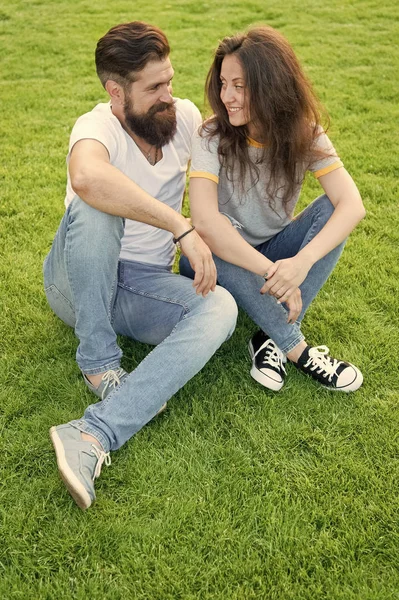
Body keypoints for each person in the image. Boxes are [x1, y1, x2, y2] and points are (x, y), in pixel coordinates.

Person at [44, 21, 238, 510]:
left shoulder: (186, 118)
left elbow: (237, 151)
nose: (168, 96)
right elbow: (88, 177)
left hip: (141, 289)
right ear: (116, 92)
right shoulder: (96, 126)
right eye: (153, 88)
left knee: (220, 308)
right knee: (94, 202)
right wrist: (180, 226)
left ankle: (92, 433)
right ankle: (99, 363)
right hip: (79, 281)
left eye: (169, 81)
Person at [180, 25, 366, 393]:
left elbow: (352, 205)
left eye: (239, 86)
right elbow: (203, 221)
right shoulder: (211, 135)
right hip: (212, 260)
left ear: (270, 86)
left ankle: (267, 336)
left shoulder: (305, 134)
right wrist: (272, 271)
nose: (227, 96)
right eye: (223, 83)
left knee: (332, 208)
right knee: (215, 236)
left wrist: (302, 261)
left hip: (273, 247)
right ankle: (295, 348)